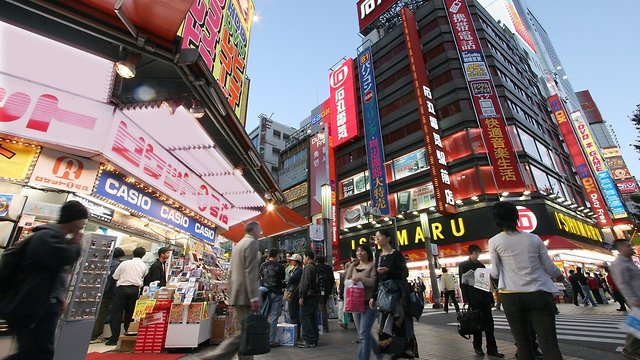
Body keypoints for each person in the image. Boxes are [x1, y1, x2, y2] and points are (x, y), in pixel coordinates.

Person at [1, 200, 88, 360]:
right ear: (73, 218)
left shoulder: (56, 237)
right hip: (35, 305)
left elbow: (55, 272)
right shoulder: (45, 236)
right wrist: (76, 244)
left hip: (45, 304)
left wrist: (59, 297)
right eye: (83, 219)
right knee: (37, 353)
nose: (84, 223)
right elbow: (62, 258)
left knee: (37, 352)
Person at [489, 201, 563, 360]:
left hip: (511, 295)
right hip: (539, 293)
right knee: (549, 344)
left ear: (496, 219)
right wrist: (560, 275)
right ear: (516, 217)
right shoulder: (534, 238)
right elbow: (550, 268)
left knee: (523, 344)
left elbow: (494, 273)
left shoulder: (495, 241)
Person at [203, 221, 262, 360]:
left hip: (236, 294)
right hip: (245, 295)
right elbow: (251, 272)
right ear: (254, 231)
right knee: (245, 331)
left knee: (244, 330)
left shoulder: (238, 245)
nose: (260, 233)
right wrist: (254, 297)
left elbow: (231, 273)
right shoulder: (252, 243)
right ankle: (216, 356)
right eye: (259, 230)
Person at [370, 229, 417, 359]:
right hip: (384, 295)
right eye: (376, 237)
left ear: (388, 238)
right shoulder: (378, 256)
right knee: (385, 323)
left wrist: (389, 270)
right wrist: (373, 296)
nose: (377, 239)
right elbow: (377, 279)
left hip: (398, 296)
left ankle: (404, 350)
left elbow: (404, 273)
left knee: (399, 322)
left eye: (379, 236)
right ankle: (393, 351)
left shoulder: (396, 254)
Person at [460, 244, 504, 358]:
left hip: (484, 297)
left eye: (478, 253)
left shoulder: (481, 266)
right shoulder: (464, 265)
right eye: (476, 253)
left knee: (489, 324)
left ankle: (492, 348)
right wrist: (466, 299)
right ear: (471, 253)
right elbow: (463, 284)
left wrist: (491, 298)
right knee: (476, 324)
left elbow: (487, 283)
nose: (478, 255)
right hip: (474, 298)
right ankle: (477, 346)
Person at [106, 246, 148, 346]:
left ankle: (114, 338)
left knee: (116, 314)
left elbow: (115, 276)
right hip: (135, 290)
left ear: (133, 253)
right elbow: (144, 277)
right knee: (130, 314)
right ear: (143, 255)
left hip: (122, 289)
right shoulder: (143, 266)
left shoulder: (124, 263)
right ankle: (128, 334)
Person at [345, 244, 377, 360]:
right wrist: (351, 265)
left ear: (368, 253)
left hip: (369, 303)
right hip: (355, 302)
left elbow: (374, 283)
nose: (359, 253)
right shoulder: (354, 266)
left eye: (362, 251)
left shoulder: (372, 266)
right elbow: (347, 280)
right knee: (363, 333)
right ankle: (378, 351)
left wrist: (361, 279)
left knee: (363, 333)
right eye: (358, 251)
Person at [610, 239, 640, 359]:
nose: (631, 247)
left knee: (636, 325)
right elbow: (622, 284)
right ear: (621, 249)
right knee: (635, 326)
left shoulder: (629, 261)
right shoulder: (619, 264)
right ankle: (630, 350)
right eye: (628, 246)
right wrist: (634, 300)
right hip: (636, 299)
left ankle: (630, 349)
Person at [90, 247, 125, 342]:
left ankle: (94, 333)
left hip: (98, 290)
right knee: (110, 313)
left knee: (98, 312)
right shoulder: (118, 265)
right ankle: (97, 335)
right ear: (121, 256)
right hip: (110, 293)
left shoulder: (105, 262)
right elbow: (115, 279)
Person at [259, 248, 286, 347]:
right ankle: (271, 340)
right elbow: (282, 278)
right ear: (277, 255)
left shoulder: (262, 265)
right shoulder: (280, 266)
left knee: (263, 315)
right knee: (274, 317)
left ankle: (261, 338)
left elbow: (260, 276)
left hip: (264, 293)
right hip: (277, 293)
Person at [297, 250, 320, 348]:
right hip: (315, 296)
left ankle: (308, 340)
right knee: (312, 317)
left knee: (304, 317)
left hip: (308, 296)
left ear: (308, 257)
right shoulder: (316, 267)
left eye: (304, 257)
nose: (303, 259)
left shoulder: (308, 268)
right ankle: (314, 339)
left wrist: (302, 296)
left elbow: (305, 283)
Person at [316, 255, 336, 333]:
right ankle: (325, 326)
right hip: (327, 290)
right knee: (324, 306)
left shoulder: (316, 268)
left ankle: (324, 326)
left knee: (321, 307)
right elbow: (332, 279)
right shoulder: (329, 268)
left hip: (319, 290)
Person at [286, 254, 303, 330]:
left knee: (294, 313)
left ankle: (297, 333)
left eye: (293, 260)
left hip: (294, 294)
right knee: (293, 313)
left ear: (297, 261)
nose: (291, 261)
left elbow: (291, 279)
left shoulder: (299, 270)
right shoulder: (295, 269)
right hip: (294, 293)